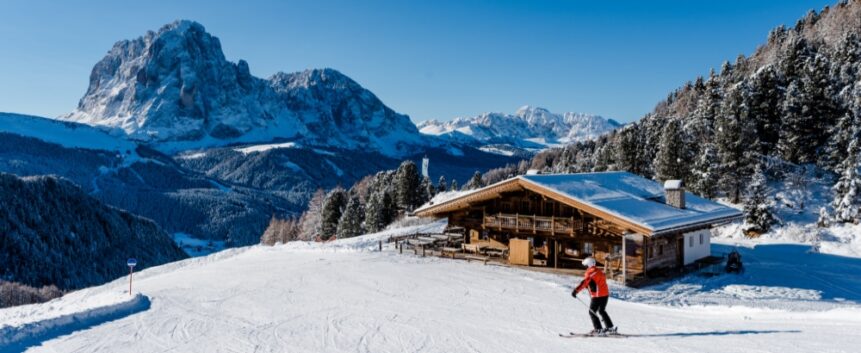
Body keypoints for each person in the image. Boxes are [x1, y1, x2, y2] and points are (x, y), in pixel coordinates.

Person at [572, 257, 616, 335]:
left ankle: (598, 329)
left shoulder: (590, 273)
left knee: (592, 312)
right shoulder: (599, 271)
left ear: (589, 265)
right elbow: (596, 283)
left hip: (597, 296)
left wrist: (576, 291)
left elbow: (584, 283)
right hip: (605, 295)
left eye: (585, 265)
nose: (585, 267)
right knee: (601, 311)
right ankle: (610, 328)